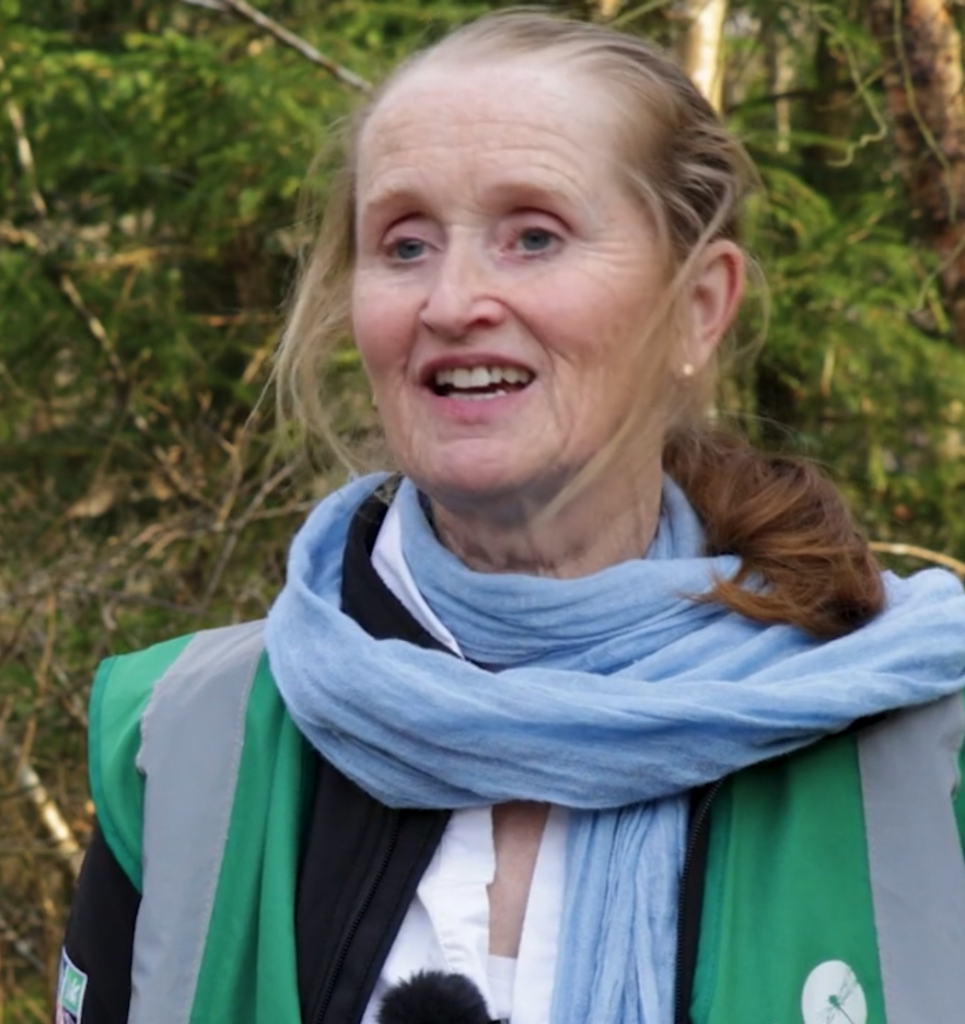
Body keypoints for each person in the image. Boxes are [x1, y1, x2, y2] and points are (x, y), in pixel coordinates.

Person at [59, 11, 965, 1024]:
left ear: (696, 308)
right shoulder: (186, 739)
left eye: (532, 236)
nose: (451, 300)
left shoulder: (915, 739)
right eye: (402, 244)